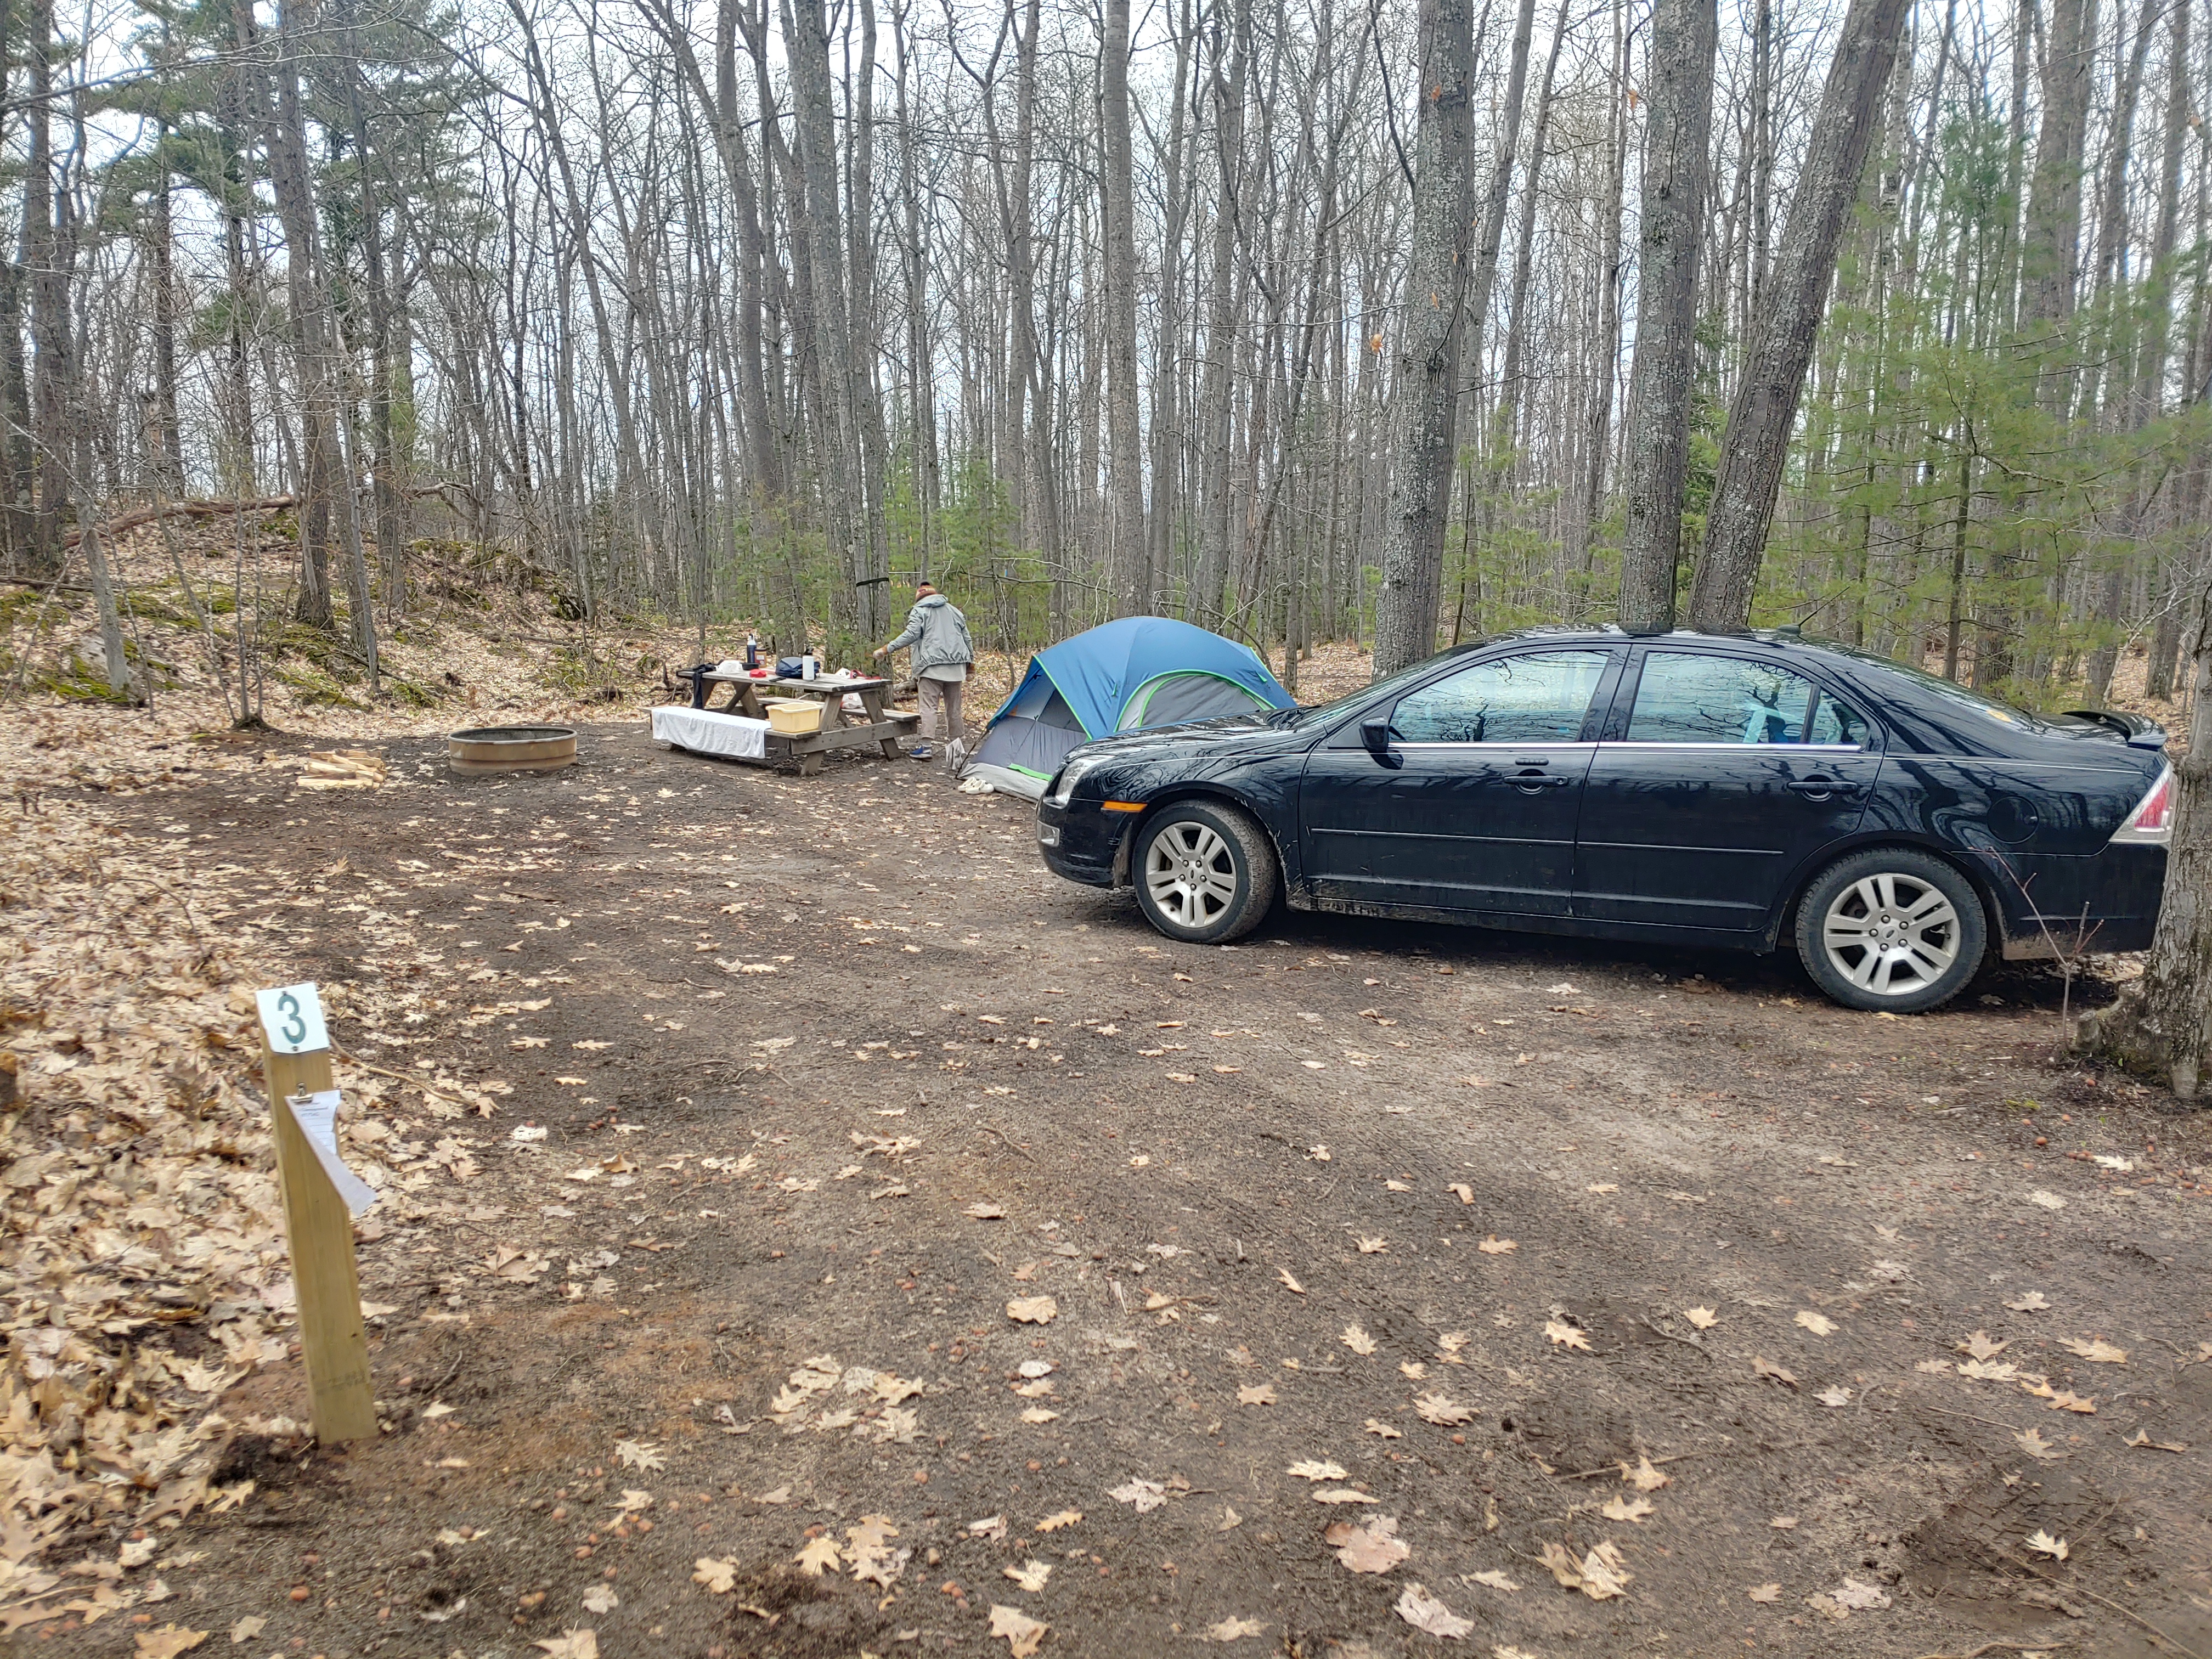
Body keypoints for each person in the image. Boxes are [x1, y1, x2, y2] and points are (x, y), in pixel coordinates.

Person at [873, 580, 974, 761]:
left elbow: (911, 635)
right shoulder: (954, 611)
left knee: (928, 707)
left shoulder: (919, 611)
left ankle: (926, 748)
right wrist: (971, 664)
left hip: (931, 667)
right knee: (954, 709)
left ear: (919, 597)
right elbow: (967, 638)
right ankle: (957, 749)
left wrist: (887, 649)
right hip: (956, 667)